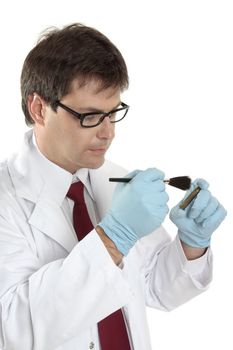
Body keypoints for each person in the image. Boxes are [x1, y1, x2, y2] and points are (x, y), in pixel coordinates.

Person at [0, 23, 226, 350]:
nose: (108, 133)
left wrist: (192, 244)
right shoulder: (6, 200)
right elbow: (13, 328)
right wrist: (113, 238)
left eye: (113, 113)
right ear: (39, 108)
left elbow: (154, 288)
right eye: (90, 116)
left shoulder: (113, 179)